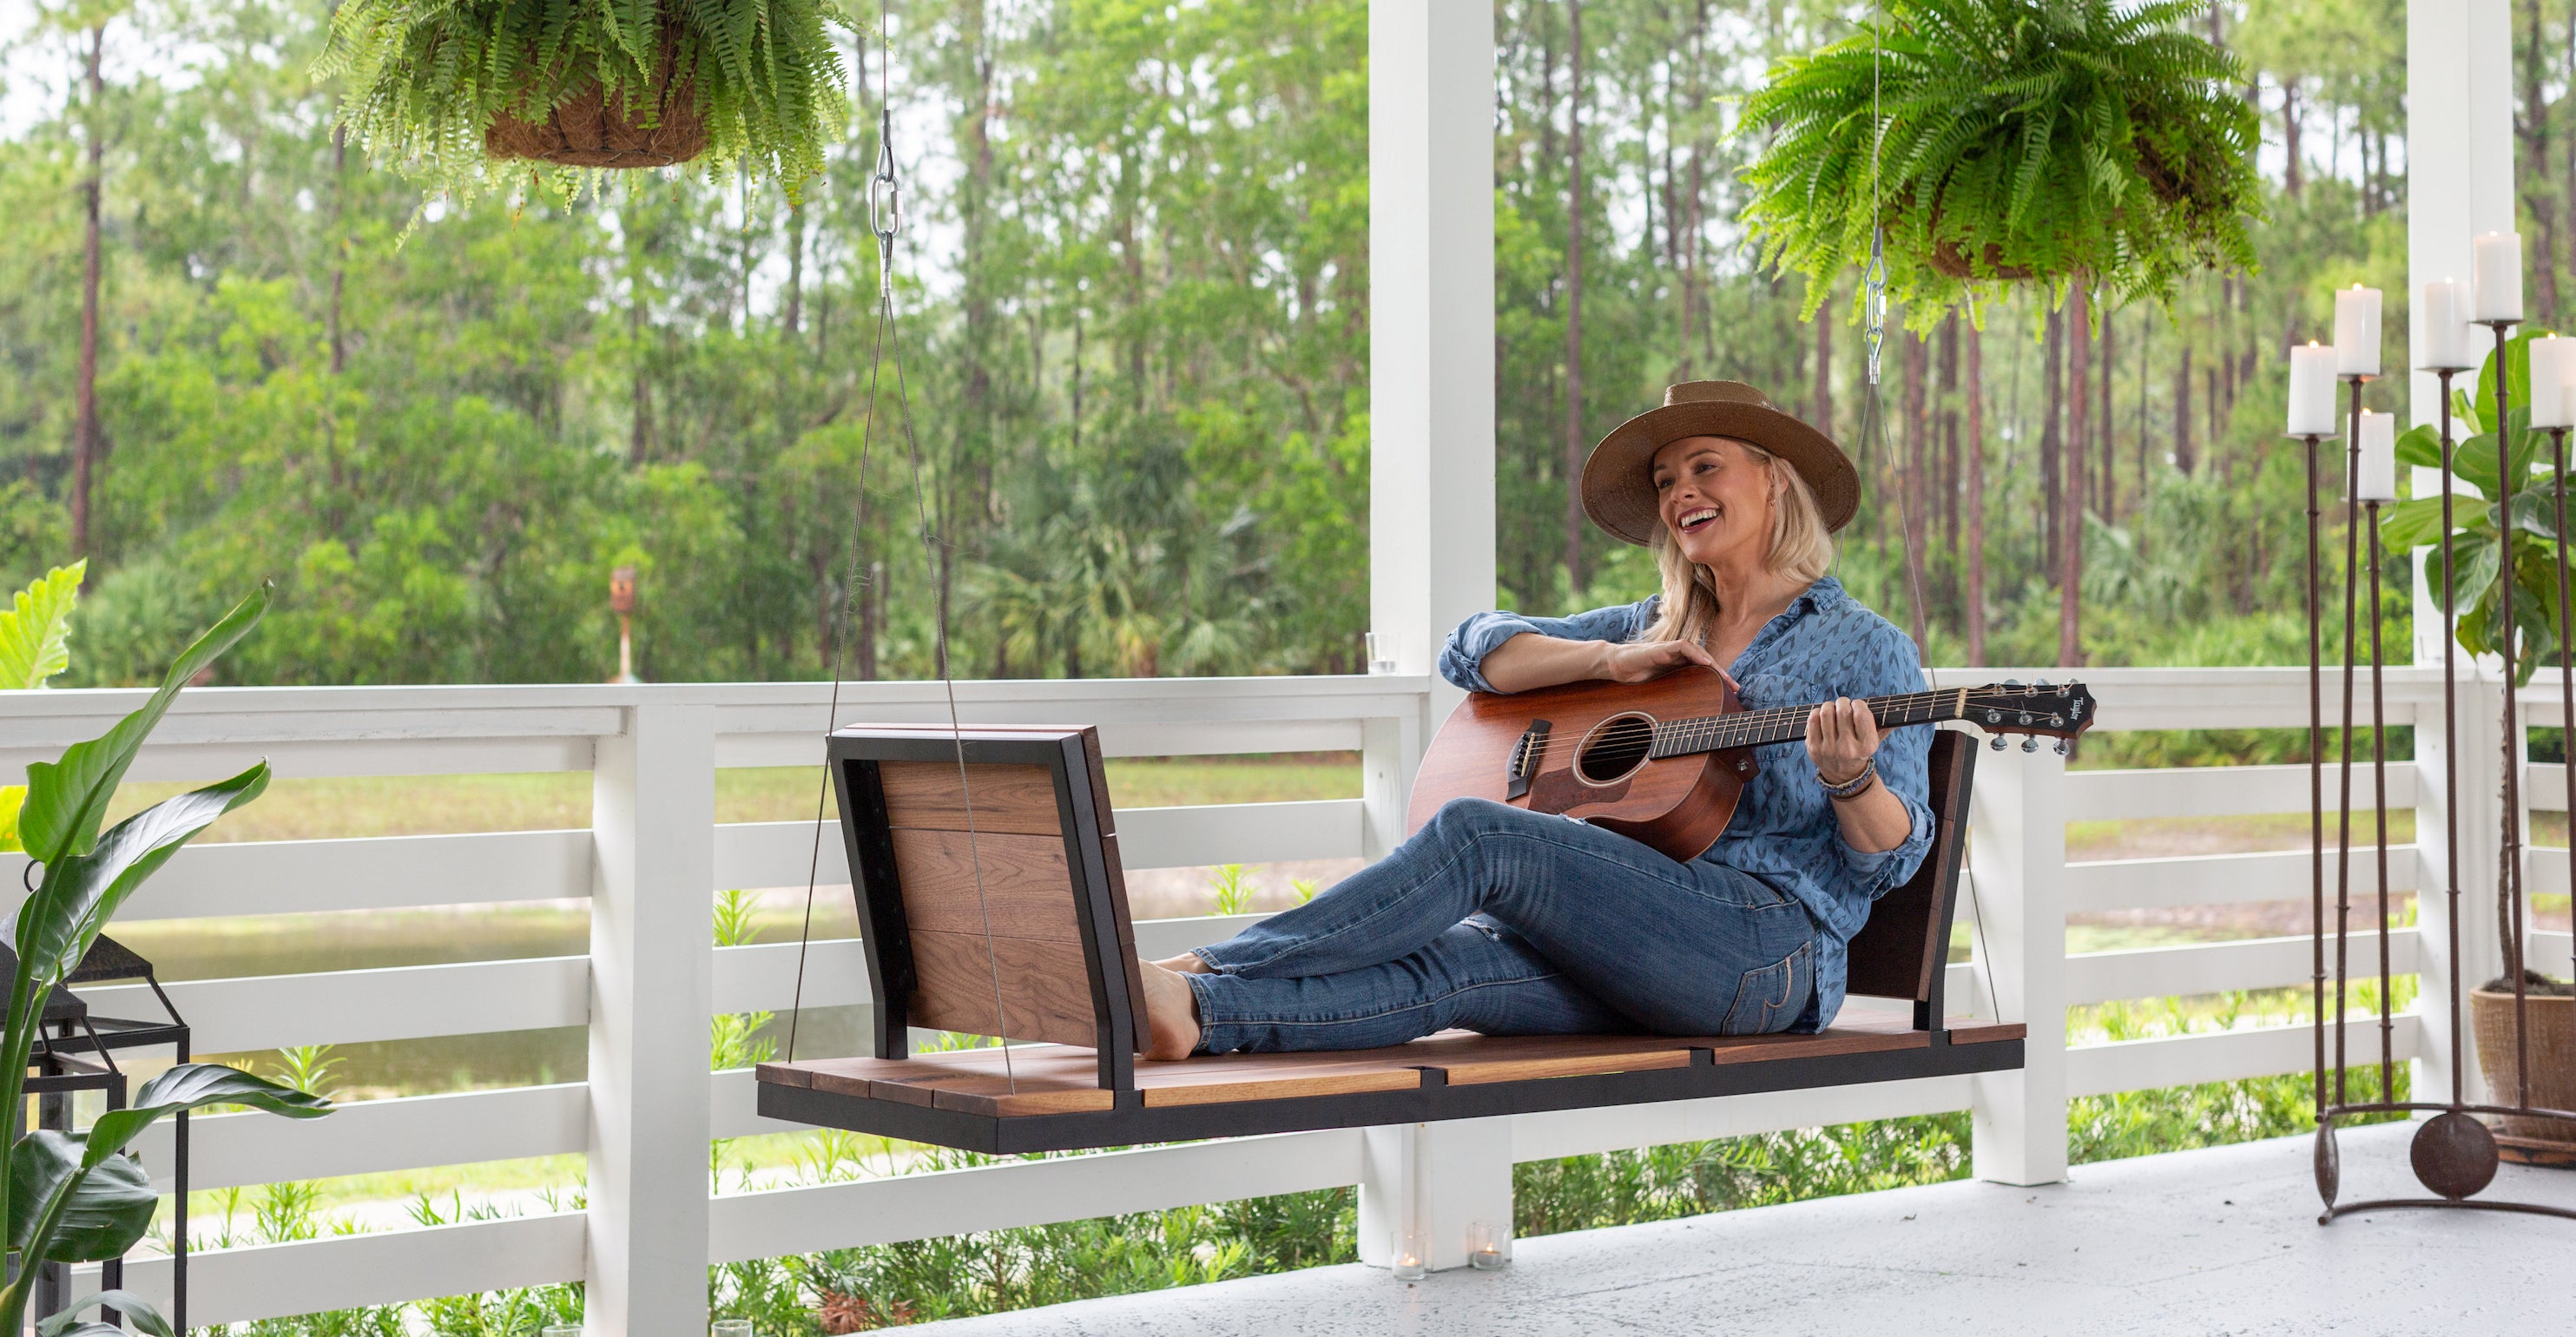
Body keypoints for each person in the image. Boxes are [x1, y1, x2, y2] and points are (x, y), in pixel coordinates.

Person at [1134, 381, 1934, 1060]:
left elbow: (1890, 860)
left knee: (1482, 836)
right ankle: (1197, 1013)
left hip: (1763, 954)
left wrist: (1850, 777)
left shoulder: (1865, 649)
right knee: (1455, 971)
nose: (1680, 492)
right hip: (1632, 943)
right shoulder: (1650, 629)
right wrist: (1604, 662)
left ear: (1774, 481)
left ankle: (1205, 964)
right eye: (1664, 480)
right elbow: (1472, 650)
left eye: (1704, 467)